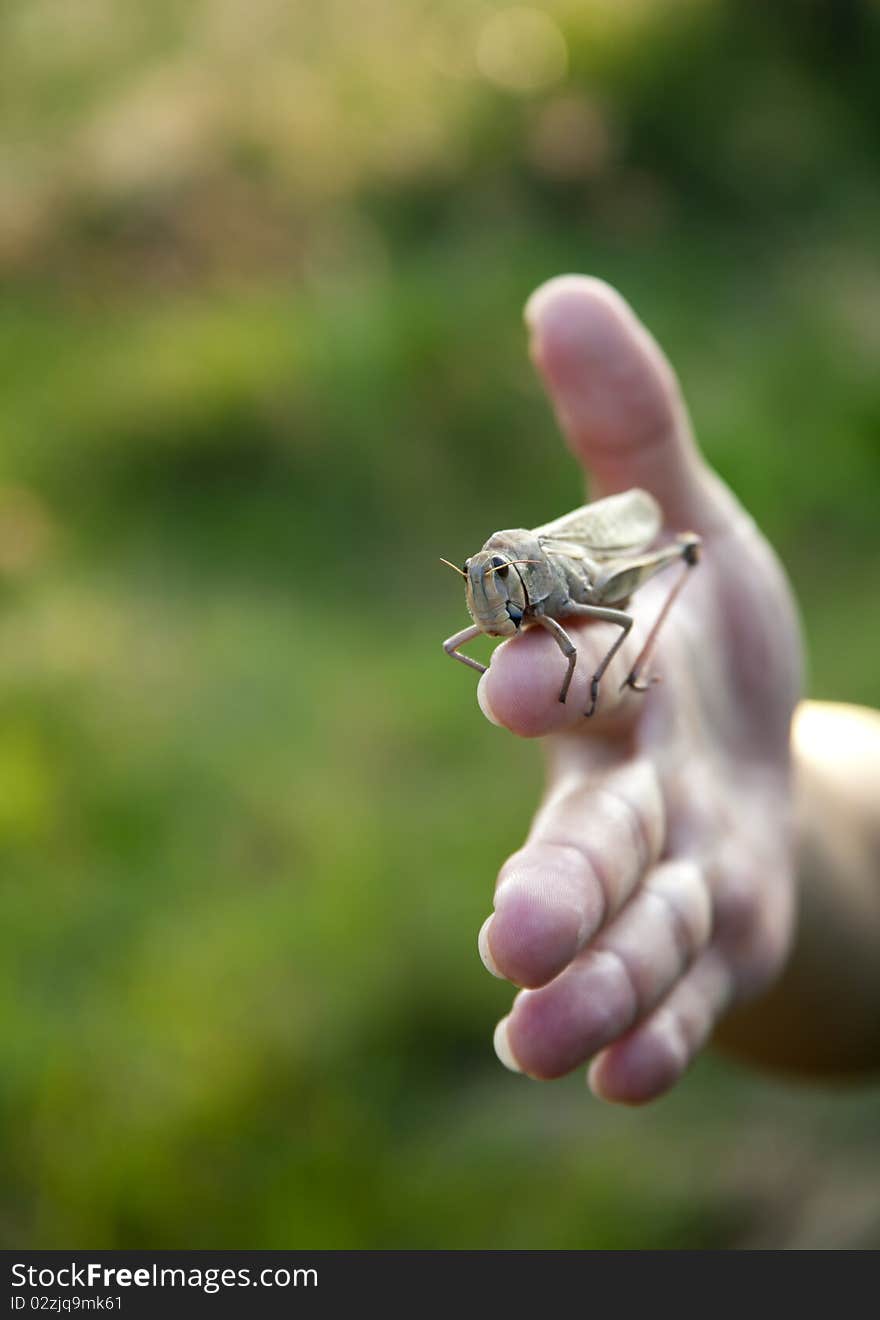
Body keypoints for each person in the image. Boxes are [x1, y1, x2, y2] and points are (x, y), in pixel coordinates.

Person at [476, 276, 880, 1104]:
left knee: (628, 619)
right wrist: (785, 808)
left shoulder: (551, 577)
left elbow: (611, 609)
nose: (494, 587)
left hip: (603, 570)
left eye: (502, 577)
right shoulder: (499, 579)